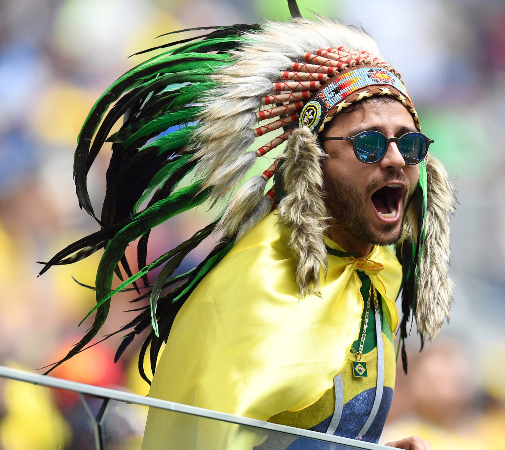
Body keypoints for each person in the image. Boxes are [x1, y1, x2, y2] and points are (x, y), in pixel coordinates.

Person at [41, 3, 455, 449]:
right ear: (310, 159)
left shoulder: (374, 275)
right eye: (370, 143)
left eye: (409, 143)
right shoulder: (260, 282)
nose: (396, 158)